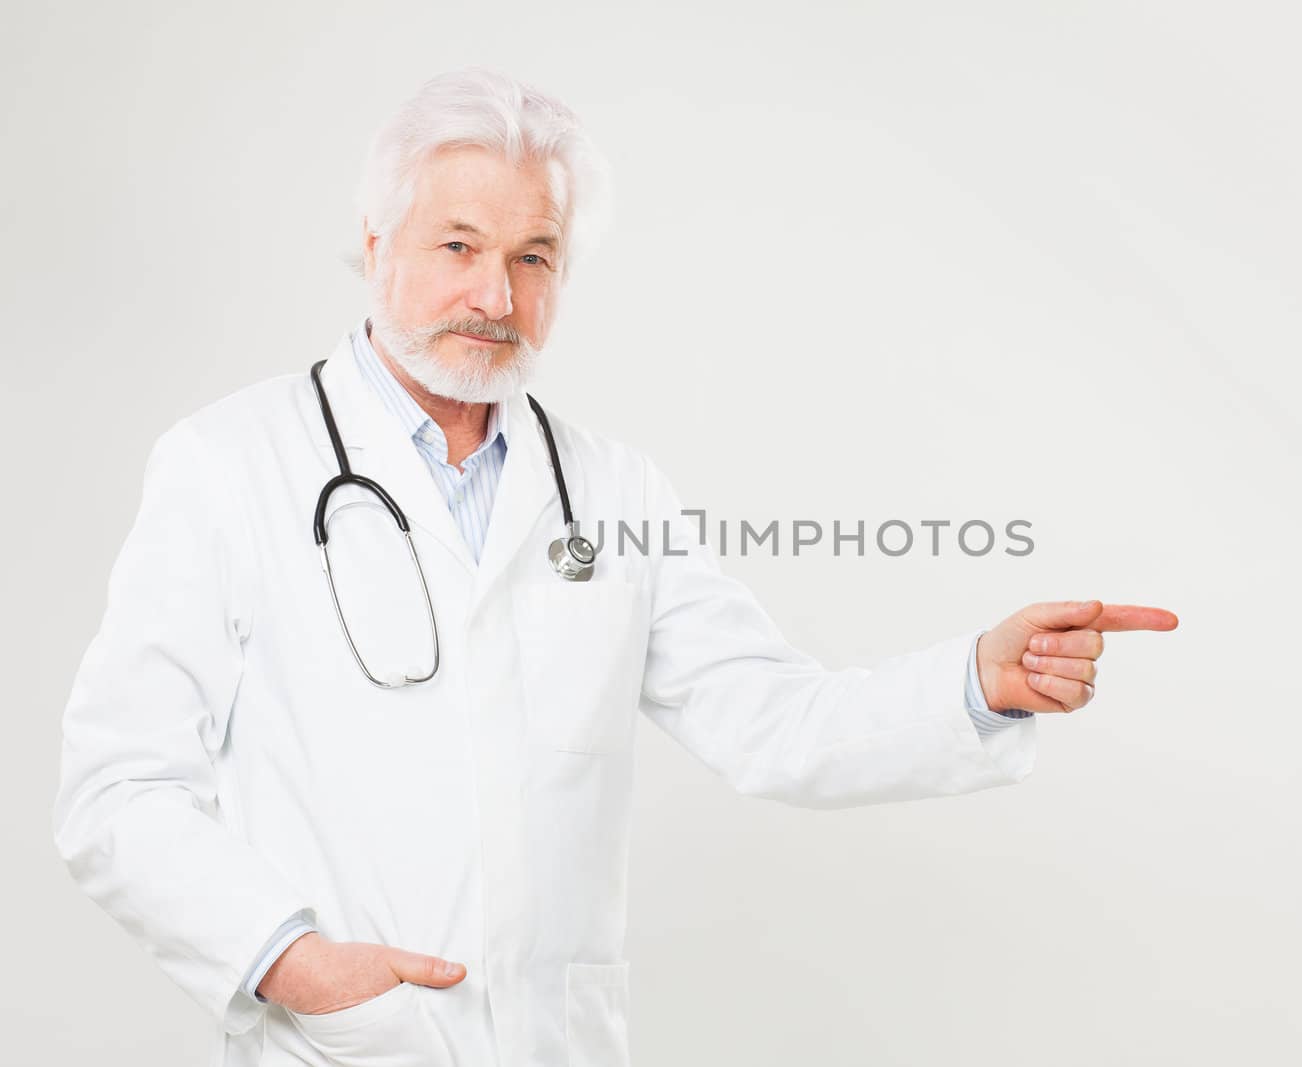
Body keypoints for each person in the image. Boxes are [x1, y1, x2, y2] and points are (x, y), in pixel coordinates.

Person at [51, 66, 1179, 1067]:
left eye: (532, 257)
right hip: (340, 1043)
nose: (496, 298)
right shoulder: (230, 463)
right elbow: (119, 788)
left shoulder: (611, 490)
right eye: (459, 247)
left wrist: (977, 679)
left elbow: (770, 717)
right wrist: (289, 960)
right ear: (376, 240)